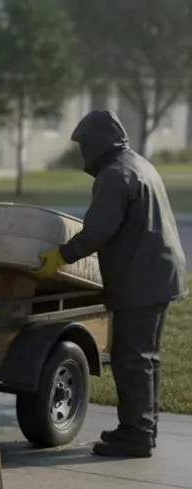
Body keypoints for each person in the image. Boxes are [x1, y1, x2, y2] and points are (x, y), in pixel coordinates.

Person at [35, 109, 187, 458]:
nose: (82, 154)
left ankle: (135, 435)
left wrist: (62, 256)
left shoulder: (114, 175)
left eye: (84, 145)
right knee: (146, 358)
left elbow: (99, 229)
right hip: (158, 275)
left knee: (131, 358)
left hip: (143, 278)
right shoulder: (137, 164)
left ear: (97, 142)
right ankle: (143, 428)